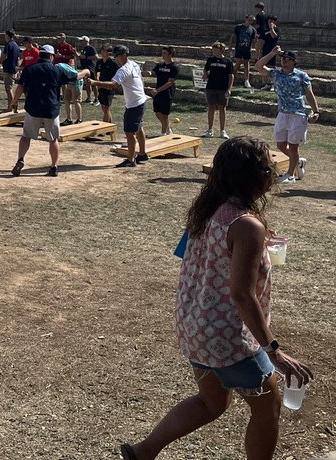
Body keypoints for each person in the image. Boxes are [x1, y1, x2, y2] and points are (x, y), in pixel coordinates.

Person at [122, 135, 313, 460]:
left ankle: (144, 451)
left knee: (211, 402)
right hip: (228, 337)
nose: (273, 174)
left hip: (195, 327)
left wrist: (253, 245)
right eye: (269, 168)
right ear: (257, 176)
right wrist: (274, 351)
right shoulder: (246, 225)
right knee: (269, 408)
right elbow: (242, 295)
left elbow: (203, 256)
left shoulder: (208, 211)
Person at [12, 44, 90, 177]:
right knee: (53, 139)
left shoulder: (30, 69)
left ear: (40, 55)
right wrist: (86, 72)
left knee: (26, 137)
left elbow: (20, 86)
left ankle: (20, 159)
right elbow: (75, 77)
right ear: (51, 56)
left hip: (33, 108)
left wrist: (14, 101)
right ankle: (54, 167)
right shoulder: (57, 70)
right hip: (51, 109)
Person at [255, 50, 319, 183]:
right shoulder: (276, 74)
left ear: (294, 62)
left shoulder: (302, 76)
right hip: (283, 113)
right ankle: (298, 162)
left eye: (287, 59)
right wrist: (272, 53)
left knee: (293, 146)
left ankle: (290, 175)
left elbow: (309, 94)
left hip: (297, 114)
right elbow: (259, 66)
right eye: (282, 58)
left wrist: (316, 111)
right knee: (281, 144)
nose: (283, 61)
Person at [92, 45, 148, 167]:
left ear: (123, 55)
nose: (115, 59)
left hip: (134, 104)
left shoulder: (123, 70)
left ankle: (131, 160)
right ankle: (142, 153)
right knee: (138, 128)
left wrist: (95, 82)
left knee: (129, 132)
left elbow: (113, 85)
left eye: (116, 56)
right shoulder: (134, 64)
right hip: (140, 100)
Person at [202, 42, 234, 139]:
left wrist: (229, 88)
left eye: (216, 49)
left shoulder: (228, 61)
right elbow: (205, 69)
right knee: (211, 108)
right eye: (213, 49)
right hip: (211, 87)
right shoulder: (210, 60)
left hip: (223, 88)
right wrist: (205, 74)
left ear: (221, 50)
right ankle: (210, 130)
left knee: (222, 108)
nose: (214, 51)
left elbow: (231, 76)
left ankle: (222, 131)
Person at [149, 47, 180, 136]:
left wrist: (157, 90)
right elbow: (152, 73)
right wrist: (145, 72)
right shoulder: (160, 65)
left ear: (170, 54)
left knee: (165, 115)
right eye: (162, 53)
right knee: (157, 113)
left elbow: (170, 82)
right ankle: (167, 128)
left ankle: (163, 134)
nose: (162, 55)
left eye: (165, 53)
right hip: (158, 93)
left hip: (167, 93)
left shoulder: (174, 67)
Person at [94, 44, 118, 124]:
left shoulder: (113, 63)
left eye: (104, 50)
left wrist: (111, 84)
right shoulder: (99, 62)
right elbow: (96, 71)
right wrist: (97, 80)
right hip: (101, 86)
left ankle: (104, 127)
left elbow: (116, 75)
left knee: (106, 108)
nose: (102, 52)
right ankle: (110, 125)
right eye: (102, 50)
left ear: (109, 52)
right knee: (104, 108)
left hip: (109, 87)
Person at [234, 15, 257, 89]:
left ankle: (246, 80)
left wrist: (254, 48)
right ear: (246, 19)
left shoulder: (253, 30)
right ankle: (230, 76)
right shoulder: (238, 27)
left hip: (247, 49)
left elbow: (253, 40)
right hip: (239, 48)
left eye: (252, 20)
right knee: (238, 63)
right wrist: (231, 47)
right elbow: (234, 37)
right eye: (249, 19)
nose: (250, 21)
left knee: (246, 63)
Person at [1, 30, 21, 109]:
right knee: (10, 88)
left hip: (8, 69)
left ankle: (11, 107)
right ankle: (12, 105)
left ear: (7, 35)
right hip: (13, 69)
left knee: (8, 89)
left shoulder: (8, 44)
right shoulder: (16, 45)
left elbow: (5, 56)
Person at [79, 36, 98, 104]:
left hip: (91, 68)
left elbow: (96, 57)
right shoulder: (83, 49)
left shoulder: (91, 48)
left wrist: (86, 57)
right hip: (85, 68)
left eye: (82, 41)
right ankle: (89, 98)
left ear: (86, 41)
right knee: (87, 83)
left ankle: (96, 98)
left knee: (94, 84)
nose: (80, 42)